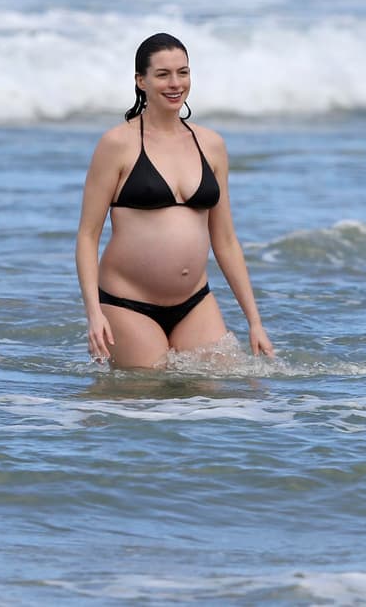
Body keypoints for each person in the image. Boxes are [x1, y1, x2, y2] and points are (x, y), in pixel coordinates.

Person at [76, 32, 274, 367]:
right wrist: (94, 314)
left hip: (195, 301)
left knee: (224, 397)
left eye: (183, 72)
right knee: (148, 395)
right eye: (163, 74)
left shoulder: (211, 145)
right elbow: (87, 235)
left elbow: (225, 240)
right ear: (141, 81)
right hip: (127, 304)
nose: (175, 83)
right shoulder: (117, 144)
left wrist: (254, 321)